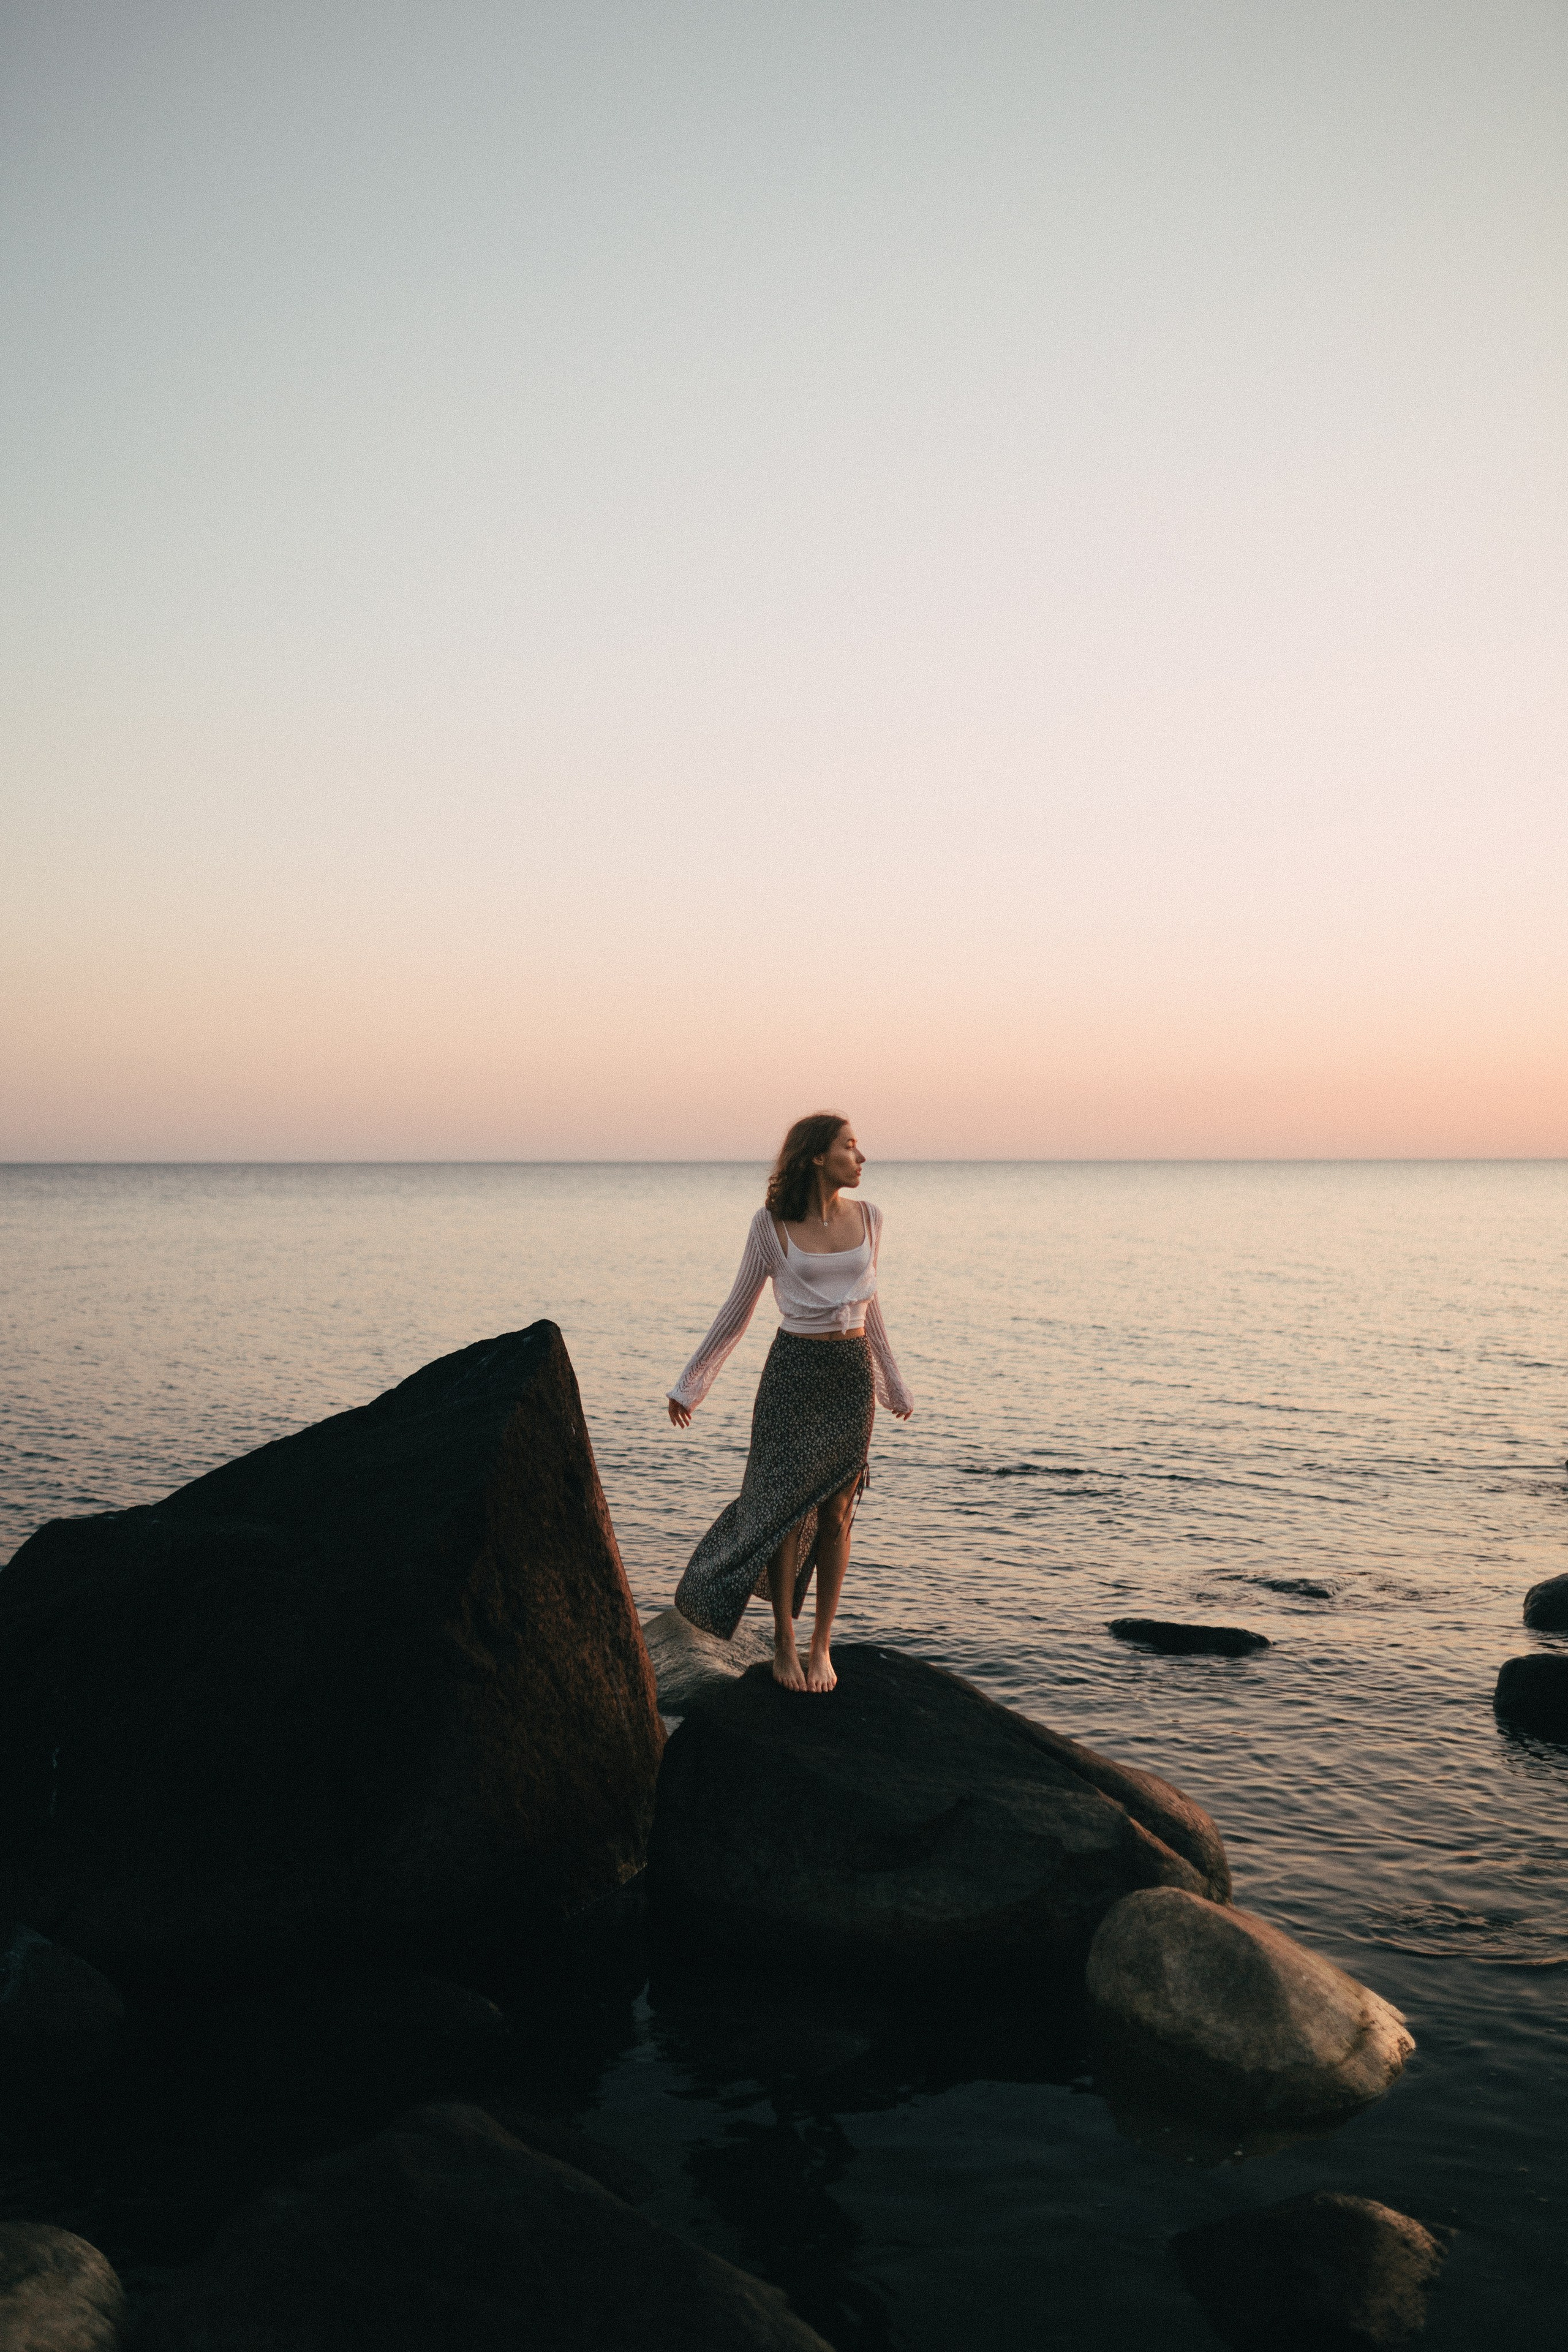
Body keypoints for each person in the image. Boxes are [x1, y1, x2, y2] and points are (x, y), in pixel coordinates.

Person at [666, 1112, 914, 1692]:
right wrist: (692, 1382)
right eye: (849, 1146)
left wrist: (892, 1381)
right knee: (781, 1507)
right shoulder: (770, 1224)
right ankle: (782, 1637)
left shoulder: (871, 1218)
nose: (862, 1156)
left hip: (851, 1375)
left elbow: (870, 1306)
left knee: (837, 1514)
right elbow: (739, 1309)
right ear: (815, 1157)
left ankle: (820, 1643)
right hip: (793, 1372)